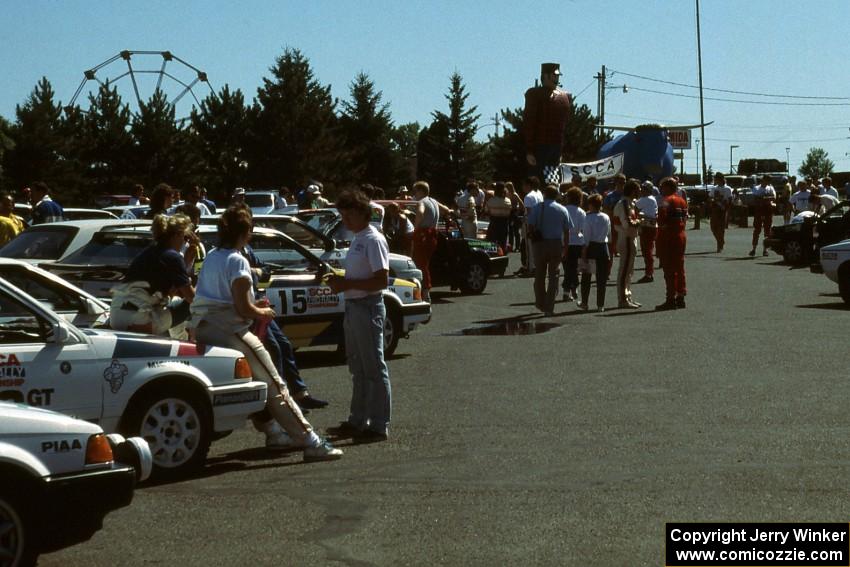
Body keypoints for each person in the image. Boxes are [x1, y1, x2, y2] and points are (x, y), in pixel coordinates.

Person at [189, 205, 342, 460]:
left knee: (249, 384)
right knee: (275, 385)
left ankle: (274, 432)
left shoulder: (214, 255)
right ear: (246, 231)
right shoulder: (238, 260)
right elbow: (242, 307)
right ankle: (311, 440)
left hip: (205, 327)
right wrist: (262, 312)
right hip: (231, 329)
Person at [326, 190, 392, 442]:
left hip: (368, 305)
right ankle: (358, 419)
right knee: (358, 367)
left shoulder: (373, 239)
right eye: (342, 215)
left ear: (362, 214)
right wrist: (343, 281)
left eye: (348, 215)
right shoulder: (358, 238)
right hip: (354, 305)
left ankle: (378, 424)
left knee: (373, 366)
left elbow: (381, 279)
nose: (345, 220)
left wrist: (346, 284)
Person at [239, 239, 329, 414]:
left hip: (261, 306)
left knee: (284, 345)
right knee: (274, 350)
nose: (250, 234)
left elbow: (265, 271)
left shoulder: (246, 249)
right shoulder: (231, 254)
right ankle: (283, 402)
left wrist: (255, 271)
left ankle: (300, 394)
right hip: (250, 308)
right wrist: (253, 271)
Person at [109, 214, 197, 335]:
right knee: (192, 305)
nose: (184, 242)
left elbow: (170, 293)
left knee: (175, 302)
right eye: (184, 237)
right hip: (138, 319)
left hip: (117, 315)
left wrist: (186, 263)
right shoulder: (173, 257)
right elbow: (192, 298)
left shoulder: (148, 252)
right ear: (177, 235)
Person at [526, 184, 572, 316]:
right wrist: (566, 248)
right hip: (555, 244)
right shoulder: (562, 209)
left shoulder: (536, 208)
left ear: (545, 194)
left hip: (539, 243)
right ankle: (549, 306)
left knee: (539, 274)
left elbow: (530, 226)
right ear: (557, 195)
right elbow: (567, 231)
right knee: (554, 275)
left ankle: (540, 301)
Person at [523, 62, 572, 184]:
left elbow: (565, 126)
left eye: (557, 76)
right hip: (540, 145)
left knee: (551, 180)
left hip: (554, 146)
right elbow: (529, 121)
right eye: (553, 76)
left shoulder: (564, 97)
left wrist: (561, 149)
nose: (556, 78)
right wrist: (529, 150)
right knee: (537, 180)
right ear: (545, 76)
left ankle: (550, 196)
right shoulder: (534, 94)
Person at [411, 181, 451, 302]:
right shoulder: (433, 201)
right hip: (434, 234)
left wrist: (415, 227)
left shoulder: (421, 202)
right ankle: (424, 290)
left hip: (423, 234)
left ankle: (425, 291)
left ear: (421, 191)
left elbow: (421, 212)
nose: (415, 194)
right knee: (425, 263)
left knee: (420, 263)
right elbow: (447, 210)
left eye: (415, 191)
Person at [656, 177, 688, 310]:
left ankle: (670, 298)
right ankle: (681, 295)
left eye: (663, 187)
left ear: (668, 187)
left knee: (669, 269)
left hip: (669, 237)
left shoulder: (666, 201)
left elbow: (662, 221)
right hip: (681, 235)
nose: (661, 189)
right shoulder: (682, 201)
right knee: (679, 268)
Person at [578, 194, 610, 312]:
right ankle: (600, 304)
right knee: (601, 278)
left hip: (591, 247)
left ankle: (585, 303)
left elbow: (586, 237)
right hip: (603, 247)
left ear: (591, 205)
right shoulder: (606, 217)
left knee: (586, 276)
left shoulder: (588, 218)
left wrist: (584, 252)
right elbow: (608, 233)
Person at [613, 179, 642, 309]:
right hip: (626, 238)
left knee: (629, 270)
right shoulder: (624, 203)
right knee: (624, 270)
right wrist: (641, 221)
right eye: (638, 189)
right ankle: (622, 299)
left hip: (630, 238)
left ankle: (627, 296)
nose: (640, 191)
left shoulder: (631, 203)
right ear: (632, 190)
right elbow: (628, 223)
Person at [561, 187, 585, 302]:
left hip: (564, 241)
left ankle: (567, 290)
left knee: (567, 268)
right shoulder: (581, 212)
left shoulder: (563, 210)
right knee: (575, 267)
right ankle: (573, 288)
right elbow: (582, 228)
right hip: (577, 242)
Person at [518, 176, 543, 275]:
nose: (523, 187)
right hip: (539, 223)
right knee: (537, 247)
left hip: (530, 224)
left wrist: (524, 220)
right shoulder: (539, 193)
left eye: (524, 185)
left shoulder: (528, 197)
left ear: (528, 185)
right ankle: (537, 266)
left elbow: (529, 213)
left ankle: (530, 268)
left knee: (529, 247)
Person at [635, 182, 658, 283]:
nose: (641, 190)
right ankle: (649, 272)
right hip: (651, 226)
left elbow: (634, 207)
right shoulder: (652, 199)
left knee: (647, 251)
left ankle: (649, 273)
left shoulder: (645, 199)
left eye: (643, 188)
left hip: (647, 227)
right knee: (648, 250)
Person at [749, 175, 776, 257]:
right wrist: (764, 199)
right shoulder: (756, 188)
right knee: (757, 230)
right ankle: (754, 249)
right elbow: (755, 198)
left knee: (767, 231)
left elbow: (774, 197)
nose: (767, 182)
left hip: (768, 211)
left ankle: (765, 249)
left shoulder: (770, 188)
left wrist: (764, 198)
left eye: (769, 181)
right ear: (763, 180)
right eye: (766, 180)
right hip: (759, 211)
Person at [709, 172, 733, 253]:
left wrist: (726, 207)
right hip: (715, 209)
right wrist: (712, 200)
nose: (715, 180)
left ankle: (720, 245)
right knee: (713, 227)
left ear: (721, 179)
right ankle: (720, 241)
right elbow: (710, 197)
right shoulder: (714, 188)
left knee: (721, 228)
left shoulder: (727, 188)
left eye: (716, 179)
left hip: (723, 210)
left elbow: (729, 200)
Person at [484, 182, 511, 251]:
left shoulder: (491, 201)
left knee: (490, 242)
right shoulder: (508, 201)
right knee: (502, 242)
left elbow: (486, 211)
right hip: (504, 224)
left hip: (494, 223)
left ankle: (491, 257)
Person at [506, 181, 524, 253]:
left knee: (516, 230)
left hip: (514, 213)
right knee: (510, 231)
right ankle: (510, 246)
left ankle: (517, 246)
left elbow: (521, 204)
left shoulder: (514, 194)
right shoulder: (507, 194)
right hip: (509, 213)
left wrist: (518, 212)